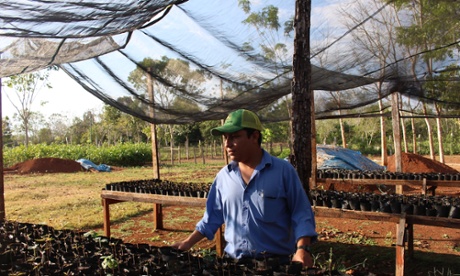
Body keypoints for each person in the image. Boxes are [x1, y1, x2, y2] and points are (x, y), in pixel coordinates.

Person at [172, 109, 317, 267]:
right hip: (235, 263)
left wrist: (302, 248)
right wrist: (187, 243)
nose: (227, 144)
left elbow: (301, 213)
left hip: (275, 265)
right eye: (225, 137)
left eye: (234, 137)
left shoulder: (283, 171)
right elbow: (211, 217)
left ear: (254, 136)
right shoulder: (223, 177)